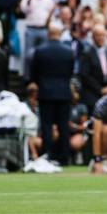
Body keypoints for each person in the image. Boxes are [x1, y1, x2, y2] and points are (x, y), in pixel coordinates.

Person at [30, 23, 74, 164]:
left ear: (48, 34)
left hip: (46, 93)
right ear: (59, 34)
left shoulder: (40, 51)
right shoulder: (69, 51)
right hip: (63, 92)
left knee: (47, 126)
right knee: (63, 126)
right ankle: (65, 157)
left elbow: (34, 74)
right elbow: (70, 72)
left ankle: (47, 155)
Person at [78, 24, 107, 110]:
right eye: (98, 35)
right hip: (92, 94)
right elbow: (85, 76)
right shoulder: (86, 53)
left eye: (102, 35)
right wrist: (100, 89)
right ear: (93, 37)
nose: (100, 37)